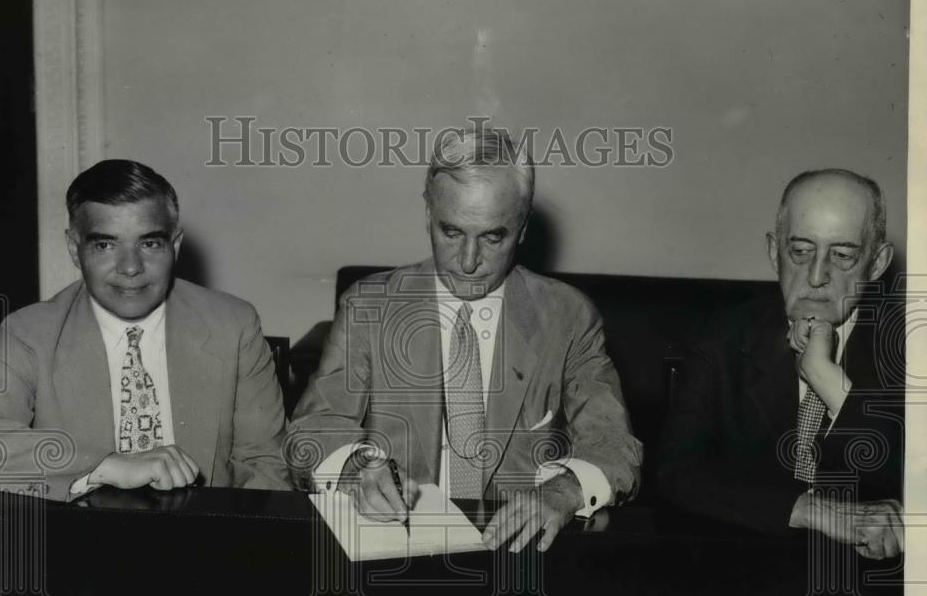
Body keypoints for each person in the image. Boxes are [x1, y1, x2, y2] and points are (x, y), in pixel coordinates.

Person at [287, 128, 641, 551]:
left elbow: (616, 447)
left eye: (493, 237)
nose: (468, 263)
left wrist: (563, 491)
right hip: (395, 553)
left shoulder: (568, 316)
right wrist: (353, 469)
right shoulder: (370, 307)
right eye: (450, 233)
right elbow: (310, 431)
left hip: (519, 551)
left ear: (523, 228)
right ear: (428, 214)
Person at [0, 159, 290, 500]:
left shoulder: (233, 325)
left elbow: (266, 465)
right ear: (75, 249)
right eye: (105, 245)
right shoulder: (30, 333)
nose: (130, 268)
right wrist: (102, 465)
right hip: (80, 543)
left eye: (149, 244)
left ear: (174, 245)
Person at [658, 168, 904, 559]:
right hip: (746, 569)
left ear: (876, 264)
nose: (817, 276)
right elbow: (676, 473)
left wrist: (828, 381)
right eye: (801, 251)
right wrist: (810, 509)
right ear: (775, 252)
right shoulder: (722, 339)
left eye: (842, 255)